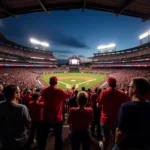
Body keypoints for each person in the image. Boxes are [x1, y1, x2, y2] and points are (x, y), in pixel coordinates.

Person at [38, 76, 75, 150]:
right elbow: (68, 95)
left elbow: (41, 100)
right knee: (58, 136)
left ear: (49, 82)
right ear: (56, 82)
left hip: (46, 117)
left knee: (44, 136)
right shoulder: (58, 90)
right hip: (56, 117)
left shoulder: (44, 90)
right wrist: (72, 90)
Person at [113, 77, 150, 150]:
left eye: (129, 86)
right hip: (145, 145)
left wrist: (116, 143)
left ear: (134, 89)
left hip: (127, 146)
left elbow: (120, 133)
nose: (128, 88)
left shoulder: (126, 107)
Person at [97, 77, 128, 150]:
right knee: (116, 138)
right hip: (117, 120)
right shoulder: (122, 93)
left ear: (108, 83)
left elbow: (98, 105)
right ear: (115, 84)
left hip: (105, 120)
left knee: (105, 137)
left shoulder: (103, 92)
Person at [0, 85, 31, 150]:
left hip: (5, 140)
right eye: (19, 92)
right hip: (20, 141)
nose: (20, 93)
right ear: (15, 94)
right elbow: (28, 123)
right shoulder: (22, 108)